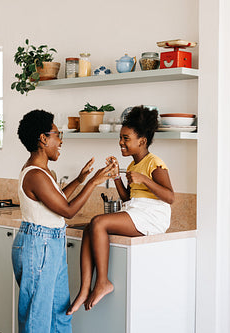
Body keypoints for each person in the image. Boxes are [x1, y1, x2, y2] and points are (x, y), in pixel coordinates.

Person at [12, 109, 116, 333]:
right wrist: (93, 183)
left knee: (60, 313)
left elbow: (57, 200)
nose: (60, 141)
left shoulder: (45, 172)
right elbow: (67, 211)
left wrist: (80, 180)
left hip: (51, 245)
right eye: (57, 135)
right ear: (43, 138)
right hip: (39, 246)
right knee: (37, 318)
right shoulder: (35, 175)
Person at [67, 106, 175, 315]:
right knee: (90, 227)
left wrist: (145, 179)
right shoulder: (133, 165)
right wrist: (117, 177)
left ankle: (103, 281)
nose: (121, 142)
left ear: (142, 140)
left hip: (153, 216)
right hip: (137, 210)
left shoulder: (155, 163)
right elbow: (128, 198)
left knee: (99, 222)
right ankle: (84, 288)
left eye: (126, 138)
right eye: (120, 138)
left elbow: (170, 197)